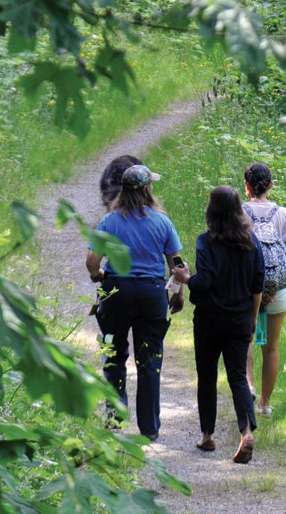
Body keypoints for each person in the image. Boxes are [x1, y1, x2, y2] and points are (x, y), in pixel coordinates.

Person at [86, 164, 185, 440]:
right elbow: (177, 265)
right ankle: (149, 428)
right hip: (151, 293)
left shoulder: (109, 221)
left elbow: (92, 261)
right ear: (146, 189)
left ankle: (115, 422)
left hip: (116, 292)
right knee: (150, 358)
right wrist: (177, 293)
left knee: (114, 356)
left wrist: (98, 275)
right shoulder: (162, 222)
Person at [173, 186, 264, 464]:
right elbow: (258, 284)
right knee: (237, 377)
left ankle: (207, 436)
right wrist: (252, 320)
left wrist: (185, 277)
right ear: (238, 209)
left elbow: (205, 281)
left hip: (209, 320)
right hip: (239, 319)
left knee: (208, 376)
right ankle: (246, 432)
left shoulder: (206, 241)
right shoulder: (252, 242)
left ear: (211, 210)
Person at [242, 162, 286, 416]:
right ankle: (265, 404)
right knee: (271, 347)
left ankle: (249, 389)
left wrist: (253, 287)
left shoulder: (240, 212)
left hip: (245, 290)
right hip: (277, 291)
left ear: (247, 186)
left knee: (246, 342)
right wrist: (274, 286)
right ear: (270, 186)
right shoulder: (282, 214)